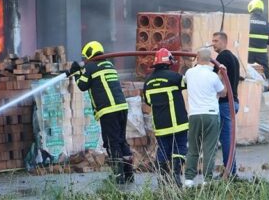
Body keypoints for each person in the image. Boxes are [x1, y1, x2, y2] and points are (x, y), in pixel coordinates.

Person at [68, 40, 133, 184]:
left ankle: (118, 177)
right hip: (122, 108)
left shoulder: (91, 67)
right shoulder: (109, 65)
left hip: (108, 110)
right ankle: (129, 175)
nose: (85, 60)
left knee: (112, 143)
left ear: (90, 54)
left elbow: (83, 85)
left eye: (85, 57)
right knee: (122, 141)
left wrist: (77, 73)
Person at [143, 48, 188, 186]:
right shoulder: (174, 77)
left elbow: (148, 101)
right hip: (178, 123)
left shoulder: (148, 82)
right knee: (179, 147)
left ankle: (162, 179)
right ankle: (175, 175)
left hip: (161, 126)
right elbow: (187, 83)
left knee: (163, 149)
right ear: (169, 62)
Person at [183, 47, 226, 187]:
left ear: (196, 57)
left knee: (193, 149)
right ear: (210, 60)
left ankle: (188, 181)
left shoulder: (189, 73)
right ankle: (207, 181)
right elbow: (223, 92)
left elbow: (185, 82)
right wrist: (222, 76)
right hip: (211, 115)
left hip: (194, 115)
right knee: (209, 149)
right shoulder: (213, 76)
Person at [212, 31, 240, 177]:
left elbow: (214, 79)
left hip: (225, 103)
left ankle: (230, 172)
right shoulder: (234, 58)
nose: (213, 44)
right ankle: (230, 170)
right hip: (234, 102)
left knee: (226, 138)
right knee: (227, 137)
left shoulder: (221, 57)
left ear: (224, 41)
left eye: (216, 41)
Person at [247, 0, 269, 79]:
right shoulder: (266, 22)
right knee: (265, 73)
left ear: (250, 7)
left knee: (247, 74)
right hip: (261, 55)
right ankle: (267, 88)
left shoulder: (247, 20)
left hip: (248, 54)